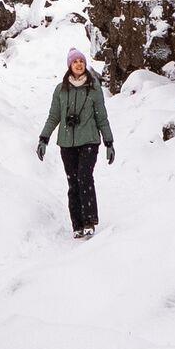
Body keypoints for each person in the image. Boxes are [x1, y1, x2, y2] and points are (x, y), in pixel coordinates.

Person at [37, 46, 116, 239]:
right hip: (67, 143)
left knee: (84, 177)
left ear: (84, 64)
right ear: (69, 65)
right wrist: (44, 138)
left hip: (89, 140)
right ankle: (77, 224)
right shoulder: (60, 89)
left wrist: (108, 141)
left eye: (81, 61)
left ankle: (89, 221)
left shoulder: (94, 88)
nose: (78, 64)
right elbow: (54, 116)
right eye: (75, 61)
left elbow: (102, 117)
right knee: (73, 182)